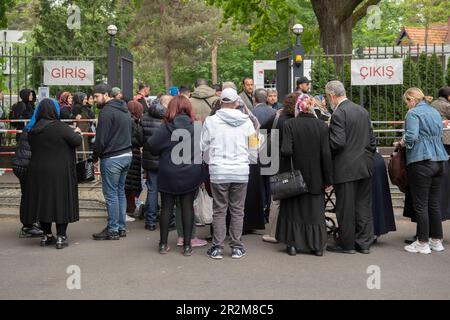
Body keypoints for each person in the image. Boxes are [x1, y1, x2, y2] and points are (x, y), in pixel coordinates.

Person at [201, 87, 256, 260]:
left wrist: (211, 161)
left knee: (219, 210)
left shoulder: (210, 121)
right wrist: (248, 161)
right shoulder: (247, 122)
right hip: (240, 171)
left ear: (220, 102)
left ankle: (217, 247)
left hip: (219, 171)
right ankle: (237, 247)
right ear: (237, 102)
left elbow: (203, 146)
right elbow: (253, 146)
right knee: (238, 210)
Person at [276, 94, 333, 256]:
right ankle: (316, 246)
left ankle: (293, 245)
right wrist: (329, 179)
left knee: (294, 210)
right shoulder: (322, 126)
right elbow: (326, 155)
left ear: (298, 107)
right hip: (316, 177)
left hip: (295, 176)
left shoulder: (290, 124)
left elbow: (286, 150)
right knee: (315, 212)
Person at [22, 98, 82, 249]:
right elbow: (76, 141)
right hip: (59, 172)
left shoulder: (32, 130)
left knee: (43, 203)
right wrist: (78, 132)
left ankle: (46, 235)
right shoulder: (61, 127)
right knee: (60, 202)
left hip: (37, 172)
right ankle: (61, 236)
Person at [148, 96, 202, 256]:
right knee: (187, 208)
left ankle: (163, 244)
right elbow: (202, 150)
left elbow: (151, 146)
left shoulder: (165, 128)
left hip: (168, 172)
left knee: (166, 207)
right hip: (191, 172)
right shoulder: (197, 127)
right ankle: (187, 246)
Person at [326, 80, 376, 254]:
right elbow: (372, 141)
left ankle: (346, 244)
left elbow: (338, 143)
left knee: (345, 207)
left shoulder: (339, 113)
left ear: (332, 95)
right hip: (364, 165)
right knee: (363, 205)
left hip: (345, 168)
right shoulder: (362, 111)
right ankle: (364, 243)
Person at [398, 88, 448, 254]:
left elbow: (411, 136)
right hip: (440, 160)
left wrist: (402, 143)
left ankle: (423, 242)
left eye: (407, 102)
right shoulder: (434, 111)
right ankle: (436, 240)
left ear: (412, 100)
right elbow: (440, 133)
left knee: (420, 205)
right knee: (434, 203)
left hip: (421, 161)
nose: (407, 106)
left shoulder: (413, 114)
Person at [92, 83, 133, 241]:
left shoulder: (106, 112)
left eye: (97, 96)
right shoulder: (124, 109)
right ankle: (121, 227)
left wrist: (95, 157)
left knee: (111, 195)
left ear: (106, 95)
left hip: (112, 157)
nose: (94, 99)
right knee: (120, 192)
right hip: (126, 155)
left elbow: (101, 139)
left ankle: (113, 229)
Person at [262, 92, 299, 244]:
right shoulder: (300, 119)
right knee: (296, 195)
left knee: (276, 199)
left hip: (277, 161)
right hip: (295, 161)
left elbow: (261, 131)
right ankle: (293, 231)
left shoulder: (277, 117)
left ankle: (273, 233)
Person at [142, 95, 173, 230]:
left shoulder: (146, 116)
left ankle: (150, 222)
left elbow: (140, 138)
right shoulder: (170, 118)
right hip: (167, 160)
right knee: (168, 191)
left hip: (150, 159)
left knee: (152, 190)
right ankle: (168, 220)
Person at [11, 126, 43, 238]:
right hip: (27, 166)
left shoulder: (30, 126)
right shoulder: (38, 128)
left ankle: (30, 224)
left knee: (27, 196)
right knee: (31, 196)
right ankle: (28, 226)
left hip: (20, 164)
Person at [251, 88, 276, 224]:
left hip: (257, 151)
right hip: (272, 150)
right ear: (266, 99)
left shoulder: (251, 113)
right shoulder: (274, 112)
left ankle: (261, 208)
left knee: (259, 182)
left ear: (254, 99)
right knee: (270, 181)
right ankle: (270, 209)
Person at [124, 101, 144, 221]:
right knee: (130, 185)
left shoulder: (126, 120)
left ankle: (128, 209)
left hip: (128, 153)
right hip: (133, 154)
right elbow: (139, 140)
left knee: (128, 184)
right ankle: (128, 210)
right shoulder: (134, 122)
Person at [371, 151, 396, 239]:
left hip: (366, 159)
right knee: (378, 195)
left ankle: (372, 231)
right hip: (375, 159)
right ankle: (376, 230)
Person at [71, 92, 92, 160]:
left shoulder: (81, 107)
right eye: (85, 99)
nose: (86, 101)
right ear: (80, 99)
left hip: (84, 132)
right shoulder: (78, 107)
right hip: (81, 132)